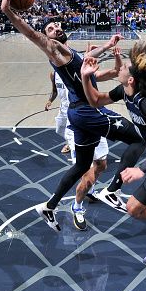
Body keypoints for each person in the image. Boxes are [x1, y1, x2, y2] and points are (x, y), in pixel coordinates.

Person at [0, 0, 146, 232]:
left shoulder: (68, 52)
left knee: (81, 166)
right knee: (138, 140)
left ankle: (49, 206)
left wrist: (108, 46)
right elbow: (31, 34)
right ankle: (112, 190)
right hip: (88, 111)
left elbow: (85, 60)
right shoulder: (54, 49)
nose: (56, 28)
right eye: (50, 28)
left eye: (57, 26)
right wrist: (7, 9)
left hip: (77, 114)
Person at [80, 40, 146, 263]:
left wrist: (142, 168)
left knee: (134, 208)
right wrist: (85, 77)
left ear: (131, 79)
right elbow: (96, 101)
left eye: (124, 66)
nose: (119, 67)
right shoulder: (125, 90)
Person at [44, 67, 111, 231]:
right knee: (86, 176)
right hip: (75, 125)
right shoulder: (56, 74)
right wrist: (50, 100)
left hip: (94, 120)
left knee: (102, 165)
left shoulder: (82, 72)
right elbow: (54, 90)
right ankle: (77, 207)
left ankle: (88, 190)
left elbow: (105, 75)